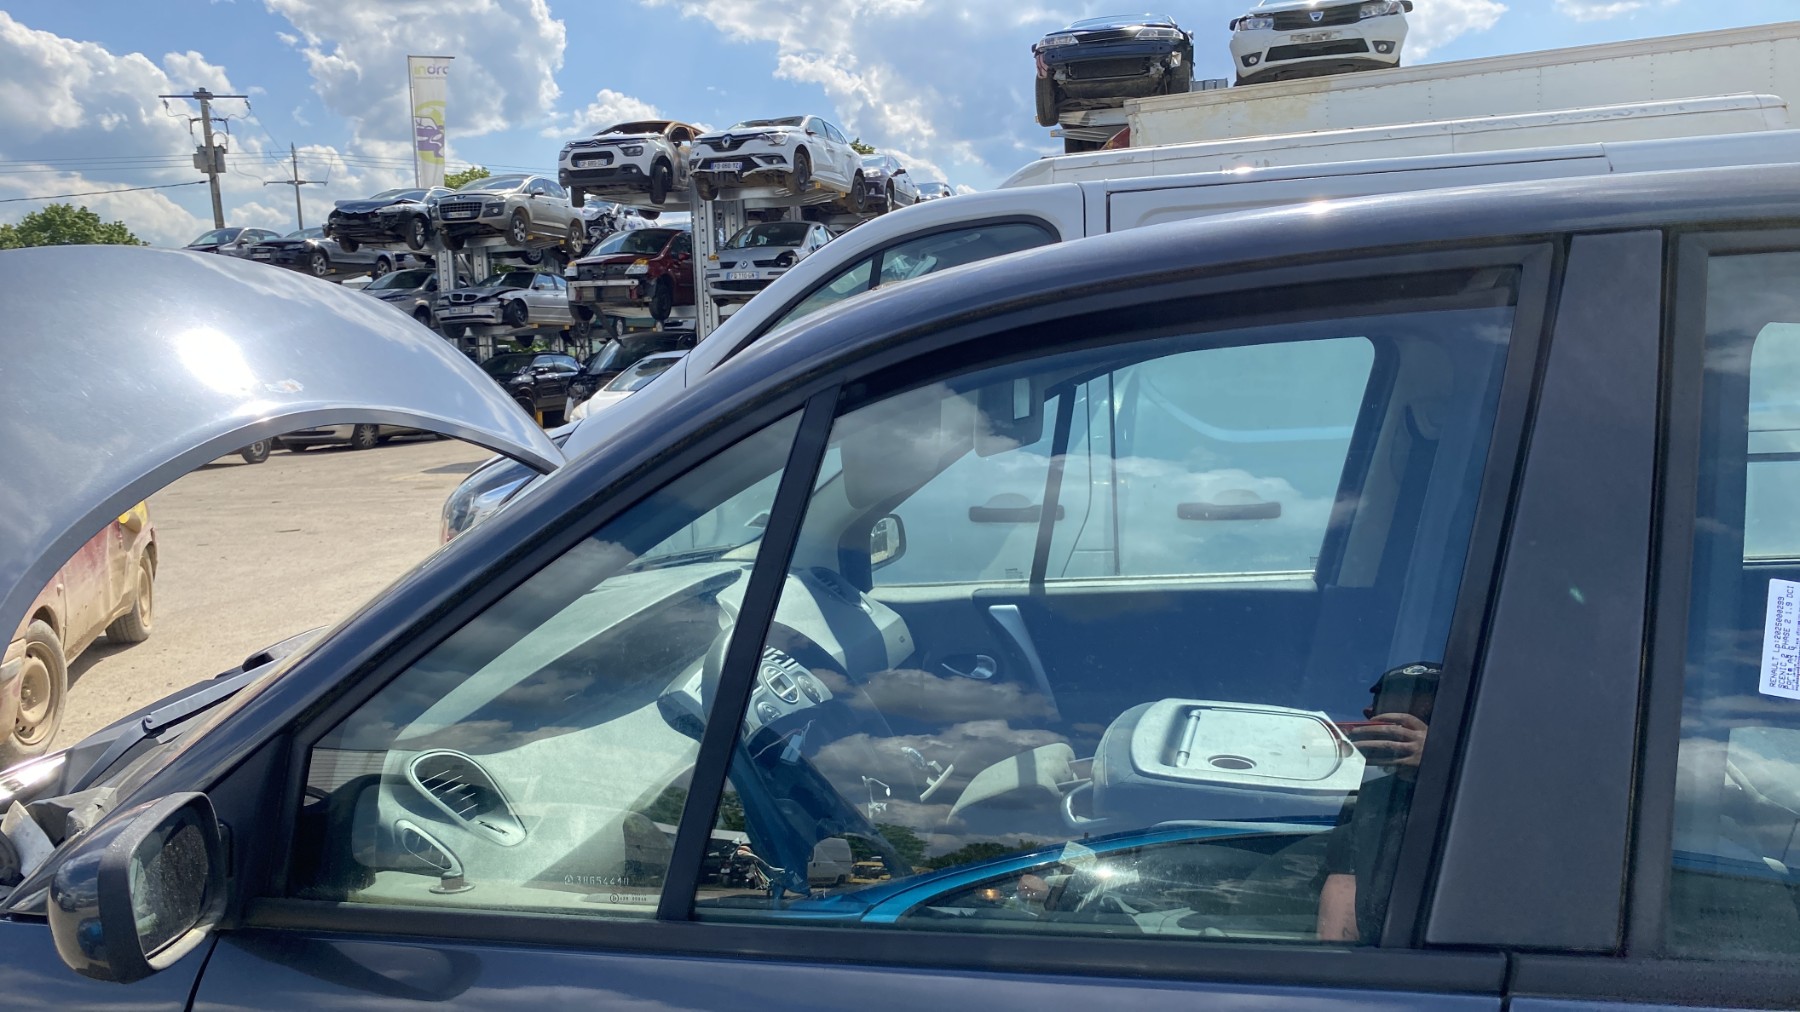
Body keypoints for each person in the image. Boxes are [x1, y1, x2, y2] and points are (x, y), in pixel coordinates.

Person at [1316, 662, 1440, 943]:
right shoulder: (1371, 797)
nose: (1408, 736)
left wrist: (1442, 760)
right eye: (1396, 724)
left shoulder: (1483, 792)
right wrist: (1332, 962)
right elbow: (1346, 884)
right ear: (1369, 718)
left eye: (1430, 720)